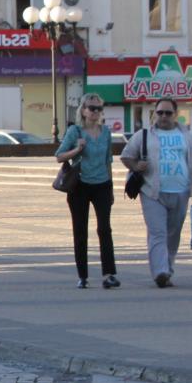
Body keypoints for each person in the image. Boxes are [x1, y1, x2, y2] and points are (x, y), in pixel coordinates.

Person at [120, 99, 192, 288]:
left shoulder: (187, 136)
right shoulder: (144, 135)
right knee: (157, 233)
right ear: (154, 113)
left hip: (181, 191)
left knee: (173, 234)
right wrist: (136, 166)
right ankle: (160, 272)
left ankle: (167, 268)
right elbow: (126, 155)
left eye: (168, 113)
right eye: (160, 112)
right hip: (152, 192)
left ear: (175, 114)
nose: (163, 116)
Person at [56, 93, 119, 290]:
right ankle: (82, 276)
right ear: (83, 110)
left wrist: (111, 187)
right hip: (80, 186)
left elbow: (108, 160)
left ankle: (109, 275)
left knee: (104, 229)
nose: (95, 112)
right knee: (80, 230)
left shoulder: (106, 132)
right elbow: (59, 156)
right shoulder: (75, 131)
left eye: (99, 108)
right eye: (92, 108)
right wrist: (77, 150)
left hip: (102, 184)